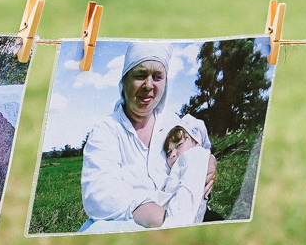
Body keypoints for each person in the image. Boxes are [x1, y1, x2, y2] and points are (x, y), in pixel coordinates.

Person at [77, 45, 213, 233]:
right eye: (140, 75)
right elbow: (98, 196)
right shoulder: (106, 131)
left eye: (157, 77)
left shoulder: (173, 123)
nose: (149, 85)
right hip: (129, 226)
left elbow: (199, 142)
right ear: (124, 81)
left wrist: (209, 161)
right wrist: (156, 215)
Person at [155, 115, 216, 230]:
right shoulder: (176, 167)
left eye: (179, 145)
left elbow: (187, 194)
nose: (173, 154)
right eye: (169, 152)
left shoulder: (194, 155)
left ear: (197, 143)